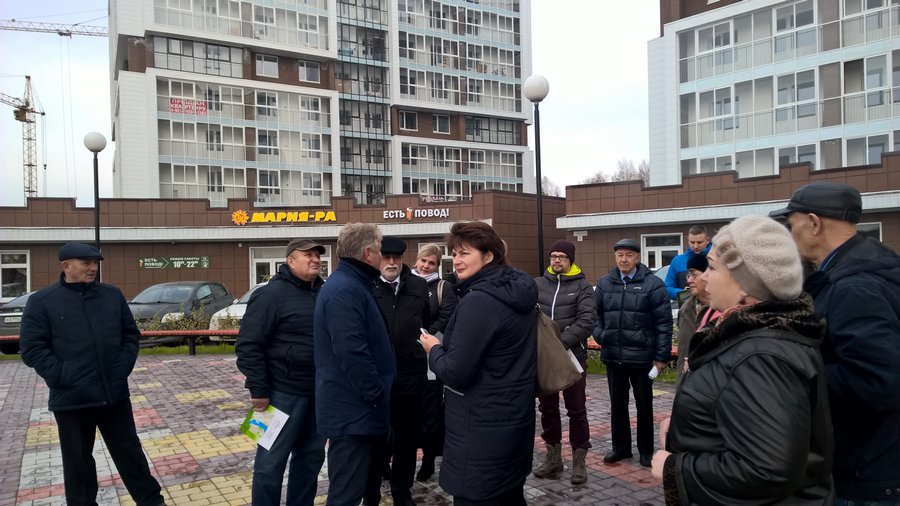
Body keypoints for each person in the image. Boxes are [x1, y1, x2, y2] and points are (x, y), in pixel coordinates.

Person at [653, 214, 833, 504]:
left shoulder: (762, 357)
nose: (704, 277)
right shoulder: (748, 334)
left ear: (745, 285)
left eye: (712, 267)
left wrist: (675, 469)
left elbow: (767, 470)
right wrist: (685, 429)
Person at [770, 181, 900, 504]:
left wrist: (797, 372)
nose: (790, 234)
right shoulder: (870, 267)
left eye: (792, 224)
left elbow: (875, 381)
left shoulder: (854, 287)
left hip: (865, 473)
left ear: (814, 223)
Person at [19, 243, 165, 506]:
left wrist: (121, 369)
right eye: (86, 263)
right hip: (71, 399)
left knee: (131, 455)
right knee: (78, 463)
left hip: (113, 395)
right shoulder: (42, 302)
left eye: (95, 262)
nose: (93, 268)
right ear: (66, 266)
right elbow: (32, 349)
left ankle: (152, 502)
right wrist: (63, 376)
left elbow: (130, 335)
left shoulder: (112, 295)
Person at [419, 222, 537, 505]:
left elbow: (455, 372)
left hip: (480, 429)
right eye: (454, 254)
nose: (457, 260)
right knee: (510, 495)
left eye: (465, 253)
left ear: (489, 256)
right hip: (514, 420)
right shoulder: (515, 291)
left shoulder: (480, 301)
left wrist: (433, 349)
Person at [235, 239, 327, 506]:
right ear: (290, 261)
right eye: (308, 255)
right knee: (268, 464)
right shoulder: (269, 294)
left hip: (318, 394)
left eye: (317, 255)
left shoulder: (323, 293)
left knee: (310, 460)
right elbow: (248, 345)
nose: (315, 259)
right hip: (278, 395)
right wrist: (258, 390)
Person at [315, 223, 395, 506]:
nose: (383, 256)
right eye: (380, 250)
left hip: (359, 411)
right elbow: (351, 351)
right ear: (368, 253)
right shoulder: (344, 289)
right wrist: (375, 394)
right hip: (354, 413)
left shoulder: (354, 283)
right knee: (346, 495)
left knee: (364, 486)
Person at [595, 238, 672, 468]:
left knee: (644, 405)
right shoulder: (605, 283)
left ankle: (646, 451)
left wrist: (661, 357)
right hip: (614, 356)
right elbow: (595, 315)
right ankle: (621, 448)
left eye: (629, 255)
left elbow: (663, 323)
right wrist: (600, 335)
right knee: (617, 405)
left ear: (637, 257)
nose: (624, 260)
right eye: (620, 255)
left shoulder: (653, 284)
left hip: (642, 357)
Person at [365, 236, 430, 506]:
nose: (392, 263)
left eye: (397, 258)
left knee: (407, 438)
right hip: (377, 374)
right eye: (386, 257)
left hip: (410, 373)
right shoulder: (367, 285)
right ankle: (371, 492)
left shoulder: (418, 285)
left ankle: (402, 491)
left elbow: (426, 320)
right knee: (374, 437)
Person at [532, 240, 596, 485]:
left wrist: (559, 343)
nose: (557, 260)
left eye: (562, 256)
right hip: (545, 358)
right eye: (553, 256)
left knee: (576, 409)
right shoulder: (538, 284)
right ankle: (553, 457)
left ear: (570, 259)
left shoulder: (583, 286)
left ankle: (579, 460)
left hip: (572, 357)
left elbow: (586, 321)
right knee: (547, 409)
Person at [410, 243, 458, 482]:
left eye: (432, 263)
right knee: (408, 412)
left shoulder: (442, 287)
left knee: (431, 411)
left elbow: (448, 315)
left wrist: (425, 335)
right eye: (423, 261)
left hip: (431, 355)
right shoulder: (405, 283)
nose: (426, 266)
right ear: (416, 260)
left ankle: (428, 460)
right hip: (408, 358)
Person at [673, 253, 718, 390]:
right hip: (686, 383)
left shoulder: (722, 310)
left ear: (708, 275)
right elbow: (682, 352)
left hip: (711, 385)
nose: (689, 280)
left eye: (694, 275)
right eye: (688, 275)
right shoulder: (685, 310)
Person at [664, 225, 711, 299]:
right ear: (688, 241)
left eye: (699, 242)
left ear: (707, 240)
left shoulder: (716, 259)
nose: (696, 246)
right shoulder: (677, 261)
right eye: (692, 242)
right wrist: (684, 293)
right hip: (687, 304)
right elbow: (667, 288)